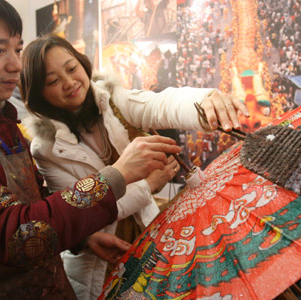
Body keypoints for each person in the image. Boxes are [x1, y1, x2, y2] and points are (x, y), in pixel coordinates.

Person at [0, 1, 183, 299]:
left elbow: (34, 199)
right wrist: (118, 174)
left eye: (17, 49)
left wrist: (84, 239)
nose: (15, 65)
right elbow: (14, 235)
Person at [19, 34, 249, 300]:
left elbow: (160, 105)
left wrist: (204, 101)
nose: (70, 82)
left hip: (147, 234)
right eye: (53, 81)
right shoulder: (46, 149)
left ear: (83, 64)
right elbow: (81, 216)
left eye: (72, 69)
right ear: (39, 93)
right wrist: (147, 184)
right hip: (99, 264)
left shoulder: (113, 101)